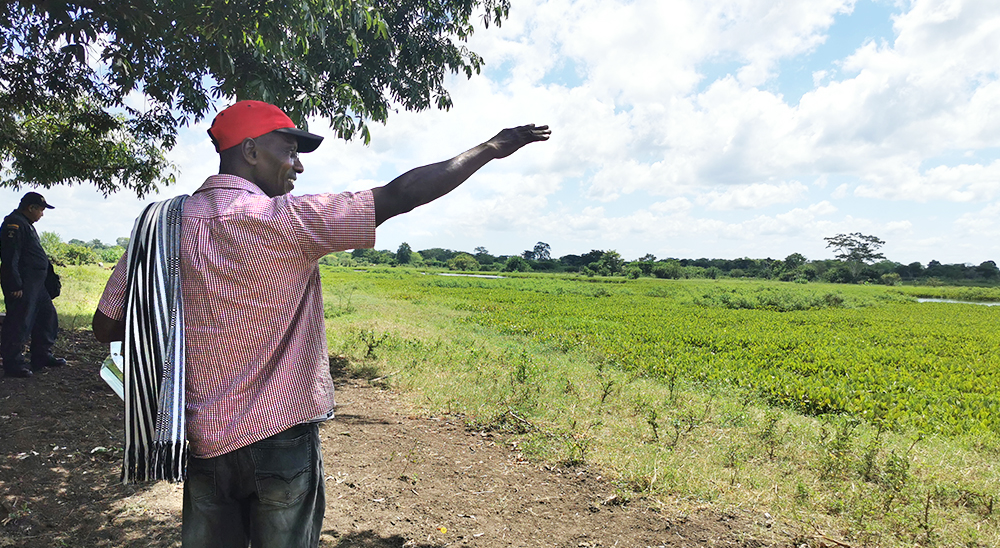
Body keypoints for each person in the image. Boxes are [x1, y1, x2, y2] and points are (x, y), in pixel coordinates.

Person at [92, 99, 549, 548]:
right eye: (289, 150)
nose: (298, 165)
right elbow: (399, 195)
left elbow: (107, 325)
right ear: (250, 151)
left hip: (201, 437)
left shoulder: (161, 226)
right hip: (282, 436)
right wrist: (492, 146)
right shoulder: (286, 221)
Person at [1, 191, 66, 378]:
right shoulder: (13, 224)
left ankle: (42, 355)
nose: (42, 214)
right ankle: (13, 363)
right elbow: (9, 257)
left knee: (47, 318)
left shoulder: (26, 224)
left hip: (38, 286)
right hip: (24, 284)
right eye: (41, 210)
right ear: (31, 208)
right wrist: (14, 285)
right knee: (19, 323)